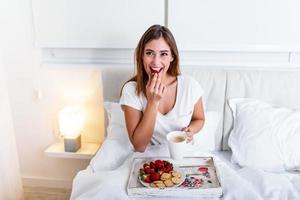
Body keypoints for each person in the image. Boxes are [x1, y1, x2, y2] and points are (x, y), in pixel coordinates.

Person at [120, 24, 205, 152]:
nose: (156, 61)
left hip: (183, 155)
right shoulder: (131, 90)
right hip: (150, 161)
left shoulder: (190, 85)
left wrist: (191, 129)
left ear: (172, 57)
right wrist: (152, 102)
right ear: (141, 56)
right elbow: (139, 146)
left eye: (163, 54)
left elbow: (199, 119)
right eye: (149, 53)